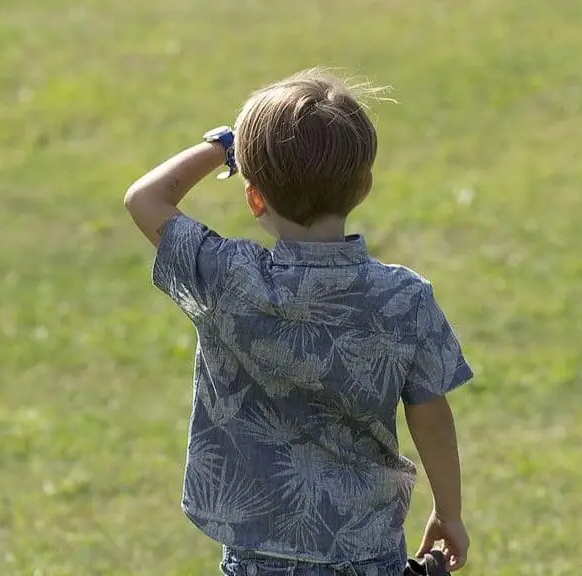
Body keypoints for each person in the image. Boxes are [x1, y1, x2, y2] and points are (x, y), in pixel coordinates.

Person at [124, 68, 474, 575]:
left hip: (257, 555)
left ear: (254, 198)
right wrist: (449, 513)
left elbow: (144, 200)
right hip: (367, 550)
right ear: (364, 186)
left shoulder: (228, 280)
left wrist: (225, 146)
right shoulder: (404, 298)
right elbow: (432, 418)